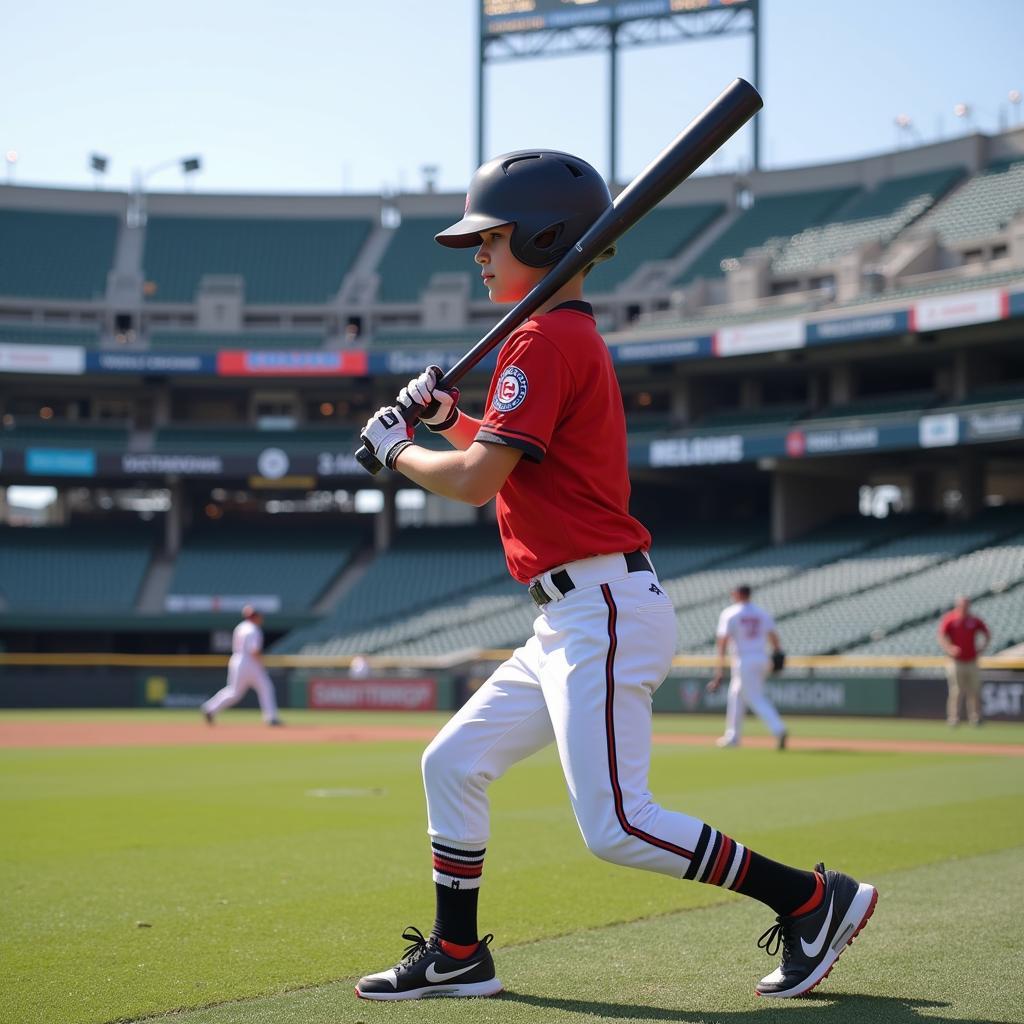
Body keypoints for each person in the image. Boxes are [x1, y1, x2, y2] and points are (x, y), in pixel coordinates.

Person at [355, 149, 876, 1002]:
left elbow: (476, 482)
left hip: (598, 605)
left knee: (619, 826)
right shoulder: (555, 336)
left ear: (544, 235)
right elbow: (511, 459)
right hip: (571, 614)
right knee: (451, 762)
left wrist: (398, 447)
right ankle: (457, 954)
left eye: (489, 239)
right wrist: (453, 420)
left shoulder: (542, 338)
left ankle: (816, 899)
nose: (479, 256)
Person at [707, 584, 788, 750]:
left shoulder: (730, 613)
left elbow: (722, 642)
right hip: (761, 658)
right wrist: (778, 652)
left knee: (753, 697)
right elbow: (774, 637)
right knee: (736, 695)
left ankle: (779, 729)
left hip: (744, 660)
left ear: (738, 594)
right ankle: (733, 737)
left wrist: (719, 669)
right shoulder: (761, 612)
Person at [201, 605, 283, 726]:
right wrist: (261, 663)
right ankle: (271, 717)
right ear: (255, 617)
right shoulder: (254, 629)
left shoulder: (240, 627)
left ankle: (209, 708)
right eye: (259, 616)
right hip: (250, 662)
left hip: (237, 660)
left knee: (234, 692)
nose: (261, 618)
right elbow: (254, 650)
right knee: (266, 688)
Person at [937, 595, 990, 726]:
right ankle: (953, 718)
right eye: (962, 604)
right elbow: (942, 636)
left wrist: (981, 648)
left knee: (974, 690)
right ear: (957, 605)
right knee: (956, 691)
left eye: (966, 604)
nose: (964, 607)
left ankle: (975, 718)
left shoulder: (974, 620)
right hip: (956, 661)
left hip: (971, 660)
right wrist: (949, 648)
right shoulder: (950, 618)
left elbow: (987, 634)